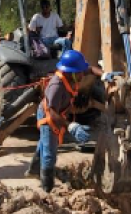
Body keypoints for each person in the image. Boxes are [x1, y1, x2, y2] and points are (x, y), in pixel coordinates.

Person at [27, 49, 120, 192]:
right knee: (49, 153)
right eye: (79, 73)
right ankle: (47, 188)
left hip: (59, 111)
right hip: (49, 115)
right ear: (70, 72)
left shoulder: (74, 74)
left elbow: (90, 69)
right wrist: (71, 126)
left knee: (44, 143)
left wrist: (104, 75)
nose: (83, 75)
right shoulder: (56, 87)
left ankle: (33, 170)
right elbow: (52, 114)